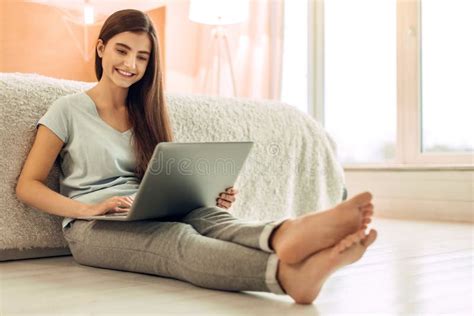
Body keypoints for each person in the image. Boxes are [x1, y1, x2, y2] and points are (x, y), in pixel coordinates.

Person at [15, 9, 377, 305]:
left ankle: (284, 232)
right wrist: (87, 209)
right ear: (100, 49)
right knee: (177, 241)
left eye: (142, 57)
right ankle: (287, 274)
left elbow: (161, 177)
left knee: (211, 216)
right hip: (92, 228)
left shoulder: (148, 112)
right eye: (122, 50)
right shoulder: (67, 109)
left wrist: (204, 193)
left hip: (143, 208)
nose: (130, 64)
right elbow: (27, 186)